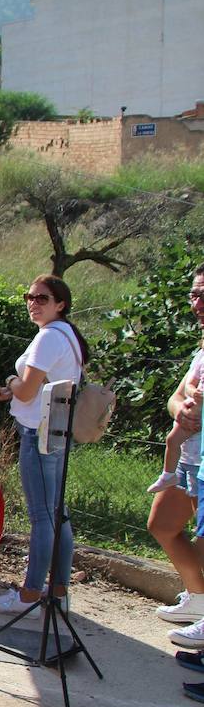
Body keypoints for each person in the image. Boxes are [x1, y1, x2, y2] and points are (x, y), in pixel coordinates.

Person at [0, 275, 88, 617]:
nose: (33, 303)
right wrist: (16, 389)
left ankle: (29, 596)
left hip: (38, 433)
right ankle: (57, 593)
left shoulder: (48, 338)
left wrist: (12, 383)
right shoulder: (67, 334)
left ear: (61, 303)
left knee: (42, 517)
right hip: (56, 430)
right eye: (29, 296)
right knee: (59, 513)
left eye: (42, 298)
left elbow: (27, 390)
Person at [152, 268, 204, 651]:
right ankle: (197, 599)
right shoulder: (201, 350)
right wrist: (180, 411)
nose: (197, 303)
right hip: (188, 457)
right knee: (162, 525)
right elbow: (174, 397)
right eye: (194, 294)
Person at [148, 379, 201, 495]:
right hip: (184, 462)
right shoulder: (200, 361)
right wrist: (181, 411)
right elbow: (176, 397)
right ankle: (168, 476)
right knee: (171, 440)